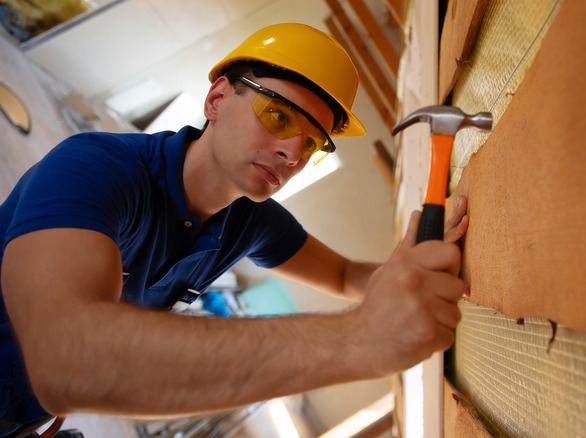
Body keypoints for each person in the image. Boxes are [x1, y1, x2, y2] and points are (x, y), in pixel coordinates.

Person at [0, 23, 469, 437]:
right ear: (217, 98)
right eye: (278, 116)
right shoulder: (94, 169)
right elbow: (66, 360)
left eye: (311, 144)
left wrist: (406, 274)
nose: (291, 153)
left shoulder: (249, 220)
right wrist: (358, 338)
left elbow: (345, 274)